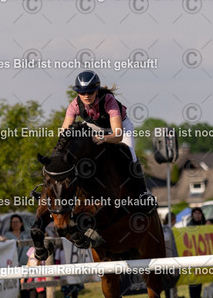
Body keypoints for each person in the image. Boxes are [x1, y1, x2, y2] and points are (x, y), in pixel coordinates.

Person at [62, 70, 157, 213]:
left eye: (90, 92)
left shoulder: (108, 100)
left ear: (96, 90)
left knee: (130, 155)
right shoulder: (74, 104)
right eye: (82, 92)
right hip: (95, 126)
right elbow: (64, 132)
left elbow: (117, 135)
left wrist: (104, 138)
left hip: (120, 127)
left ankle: (142, 193)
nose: (86, 96)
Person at [187, 207, 206, 298]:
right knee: (193, 276)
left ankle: (198, 296)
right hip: (193, 254)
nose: (197, 215)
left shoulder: (204, 224)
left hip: (202, 253)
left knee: (200, 276)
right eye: (196, 213)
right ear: (192, 215)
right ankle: (193, 297)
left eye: (199, 213)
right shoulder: (189, 225)